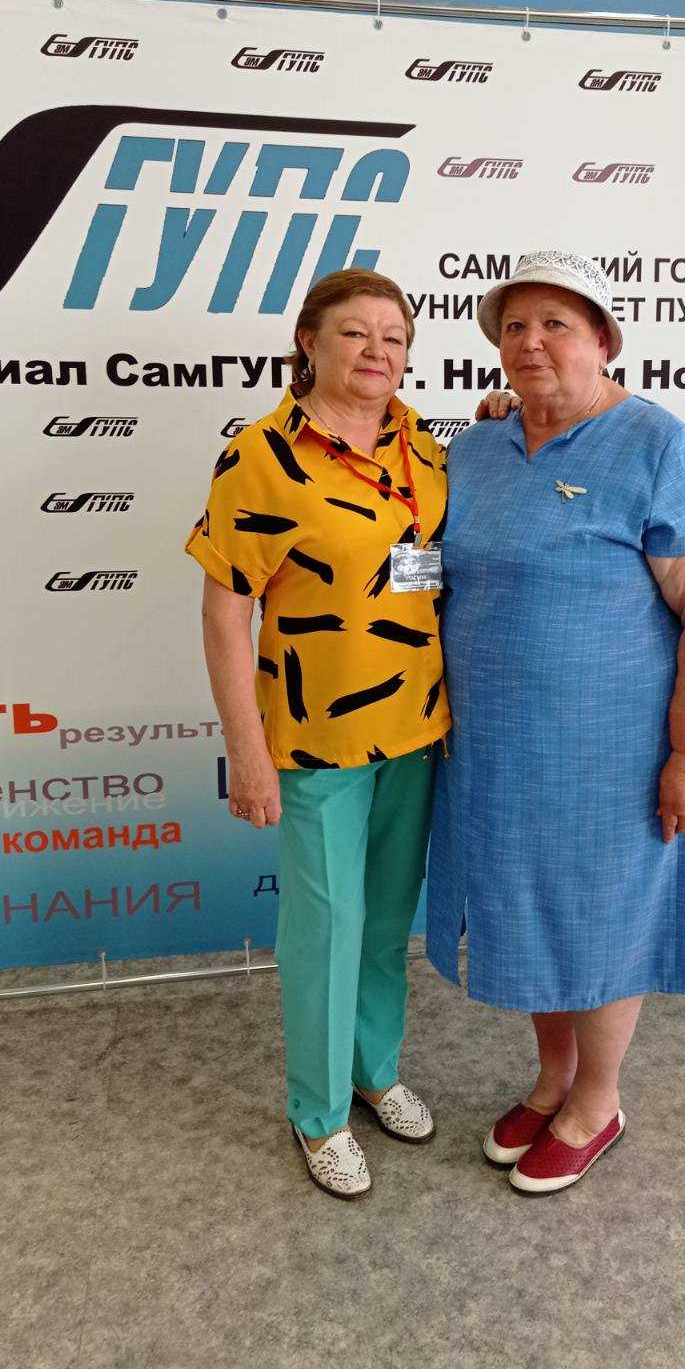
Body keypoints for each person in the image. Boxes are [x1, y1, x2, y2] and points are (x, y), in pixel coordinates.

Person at [425, 249, 685, 1196]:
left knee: (600, 918)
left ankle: (597, 1103)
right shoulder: (475, 448)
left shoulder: (653, 442)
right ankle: (553, 1079)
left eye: (555, 325)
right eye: (513, 327)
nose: (530, 342)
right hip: (493, 750)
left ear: (603, 340)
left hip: (613, 753)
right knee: (527, 912)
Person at [185, 267, 452, 1201]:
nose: (378, 350)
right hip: (312, 742)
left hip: (415, 731)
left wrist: (501, 411)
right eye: (355, 332)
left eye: (394, 336)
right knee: (325, 931)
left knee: (382, 923)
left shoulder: (425, 446)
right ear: (309, 341)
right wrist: (246, 751)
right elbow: (225, 612)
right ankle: (319, 1112)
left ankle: (374, 1072)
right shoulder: (260, 457)